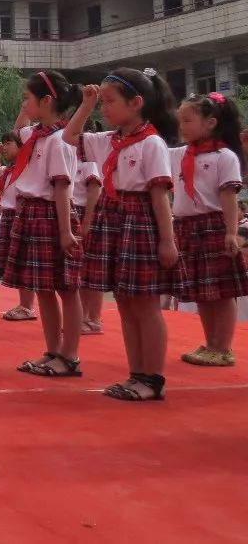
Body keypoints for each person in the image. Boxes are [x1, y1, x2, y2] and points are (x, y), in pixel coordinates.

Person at [64, 67, 178, 402]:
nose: (104, 108)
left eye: (109, 101)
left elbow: (160, 196)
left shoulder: (152, 143)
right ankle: (136, 374)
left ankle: (152, 378)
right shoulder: (109, 141)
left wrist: (167, 241)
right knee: (126, 304)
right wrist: (85, 105)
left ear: (136, 103)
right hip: (112, 218)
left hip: (139, 219)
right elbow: (69, 138)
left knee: (145, 305)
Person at [3, 71, 85, 378]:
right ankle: (53, 351)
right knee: (45, 289)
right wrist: (26, 109)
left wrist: (65, 231)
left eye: (27, 98)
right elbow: (17, 130)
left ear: (47, 100)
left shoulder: (60, 141)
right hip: (32, 213)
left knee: (66, 288)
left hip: (52, 214)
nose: (23, 104)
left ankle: (70, 355)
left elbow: (62, 187)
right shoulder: (36, 136)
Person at [170, 93, 246, 366]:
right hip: (186, 228)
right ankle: (210, 342)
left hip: (212, 225)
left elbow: (228, 197)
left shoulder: (224, 156)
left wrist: (230, 232)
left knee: (222, 291)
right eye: (180, 121)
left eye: (188, 120)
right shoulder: (181, 154)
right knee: (203, 291)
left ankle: (223, 347)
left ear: (211, 122)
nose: (182, 126)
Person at [0, 130, 38, 321]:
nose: (4, 147)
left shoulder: (26, 167)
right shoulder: (8, 171)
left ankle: (28, 306)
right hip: (9, 215)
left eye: (8, 143)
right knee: (16, 262)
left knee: (24, 260)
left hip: (20, 214)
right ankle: (24, 304)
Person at [73, 158, 105, 335]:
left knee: (92, 270)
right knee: (80, 271)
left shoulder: (90, 162)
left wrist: (86, 223)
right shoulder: (70, 158)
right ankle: (83, 316)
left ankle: (93, 318)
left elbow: (95, 191)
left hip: (86, 214)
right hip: (74, 213)